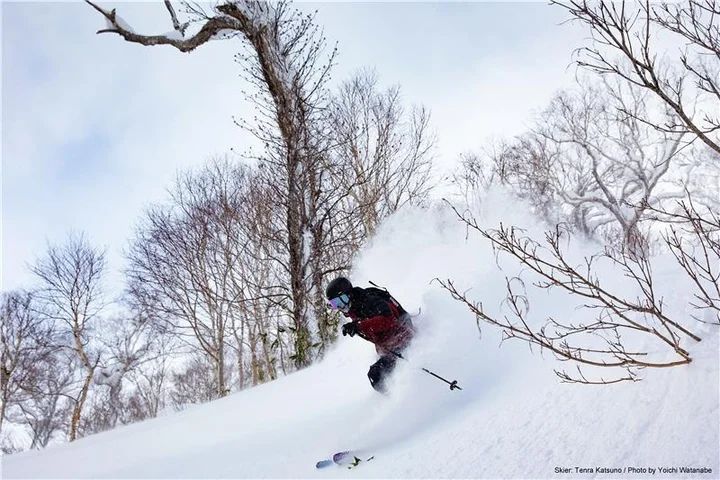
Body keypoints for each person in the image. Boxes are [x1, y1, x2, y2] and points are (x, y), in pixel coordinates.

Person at [325, 276, 414, 393]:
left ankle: (400, 400)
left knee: (376, 375)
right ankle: (398, 398)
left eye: (340, 300)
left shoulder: (369, 300)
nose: (340, 306)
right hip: (391, 348)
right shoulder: (354, 307)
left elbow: (388, 320)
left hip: (404, 341)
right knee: (377, 376)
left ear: (349, 294)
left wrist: (359, 326)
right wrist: (355, 328)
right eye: (335, 304)